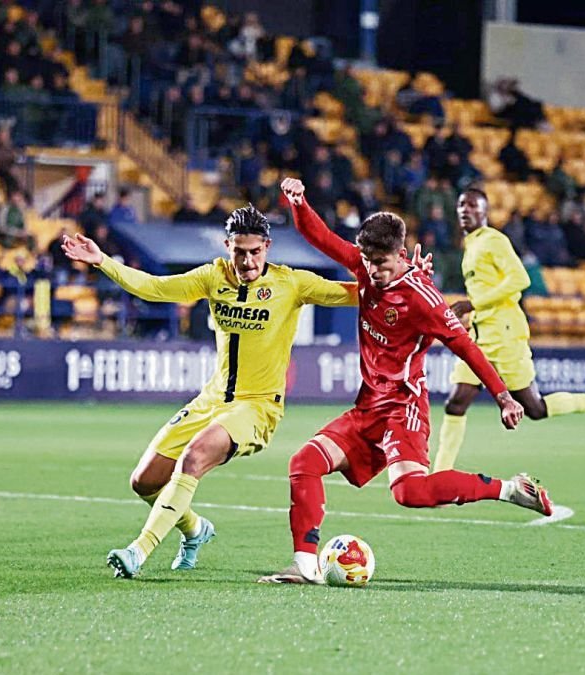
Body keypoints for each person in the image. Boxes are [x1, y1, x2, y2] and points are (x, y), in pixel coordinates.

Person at [64, 204, 429, 579]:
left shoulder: (292, 284)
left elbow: (364, 292)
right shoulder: (212, 276)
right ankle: (194, 529)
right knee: (144, 481)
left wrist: (408, 276)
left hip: (257, 408)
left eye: (255, 251)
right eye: (239, 251)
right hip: (211, 400)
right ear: (227, 246)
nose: (248, 260)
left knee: (195, 456)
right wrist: (102, 261)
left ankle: (138, 552)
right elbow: (155, 288)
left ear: (268, 247)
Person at [257, 178, 557, 585]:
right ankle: (306, 566)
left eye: (381, 262)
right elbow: (321, 237)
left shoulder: (423, 298)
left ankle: (508, 489)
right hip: (368, 407)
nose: (373, 270)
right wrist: (299, 203)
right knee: (304, 463)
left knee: (409, 493)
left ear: (401, 255)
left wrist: (503, 395)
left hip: (403, 406)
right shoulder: (365, 267)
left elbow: (465, 346)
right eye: (367, 261)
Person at [433, 189, 585, 473]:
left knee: (535, 409)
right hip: (481, 334)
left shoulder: (494, 240)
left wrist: (472, 304)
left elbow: (519, 278)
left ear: (485, 212)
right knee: (456, 403)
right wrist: (475, 314)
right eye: (461, 204)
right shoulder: (471, 246)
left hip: (505, 334)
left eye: (472, 205)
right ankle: (440, 476)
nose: (465, 209)